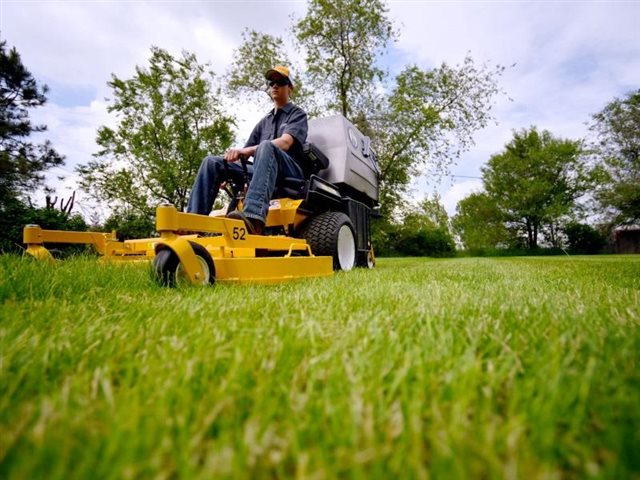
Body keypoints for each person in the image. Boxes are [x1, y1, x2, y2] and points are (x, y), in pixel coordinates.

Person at [187, 65, 308, 235]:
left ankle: (253, 219)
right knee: (212, 162)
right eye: (271, 82)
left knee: (267, 146)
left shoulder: (297, 114)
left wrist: (247, 152)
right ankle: (192, 222)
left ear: (290, 88)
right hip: (262, 169)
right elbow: (242, 156)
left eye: (281, 82)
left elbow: (286, 143)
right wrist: (227, 171)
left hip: (289, 171)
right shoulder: (263, 122)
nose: (275, 85)